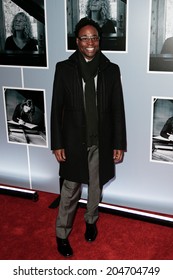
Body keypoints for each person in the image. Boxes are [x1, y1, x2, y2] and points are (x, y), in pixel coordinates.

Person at [51, 17, 126, 257]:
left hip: (100, 142)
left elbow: (117, 109)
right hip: (73, 142)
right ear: (77, 41)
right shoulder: (64, 68)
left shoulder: (111, 70)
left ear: (99, 40)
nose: (90, 42)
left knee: (96, 187)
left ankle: (91, 220)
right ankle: (62, 234)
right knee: (70, 190)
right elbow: (56, 109)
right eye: (85, 38)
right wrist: (58, 143)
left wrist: (118, 143)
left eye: (94, 37)